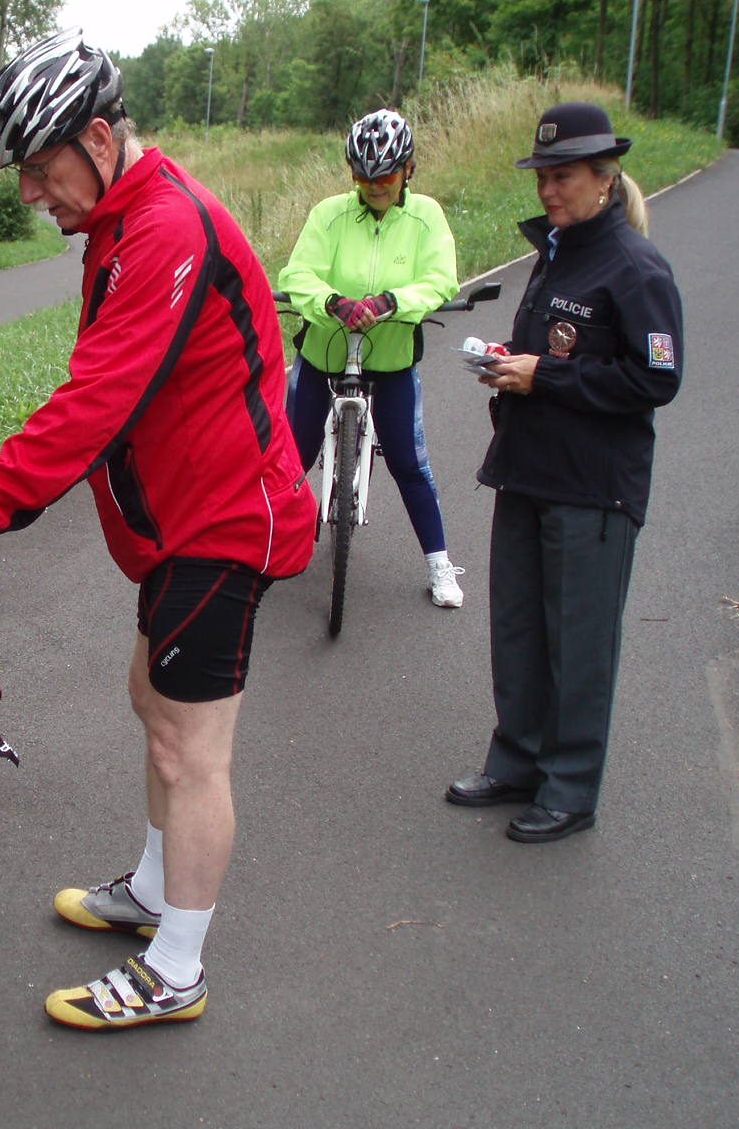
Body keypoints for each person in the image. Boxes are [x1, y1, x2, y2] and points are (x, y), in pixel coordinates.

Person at [0, 28, 315, 1029]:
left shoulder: (164, 227)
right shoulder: (119, 225)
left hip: (224, 522)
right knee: (149, 703)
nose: (32, 194)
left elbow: (92, 411)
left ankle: (178, 969)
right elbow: (104, 394)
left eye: (40, 167)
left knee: (188, 751)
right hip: (178, 523)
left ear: (101, 138)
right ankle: (155, 897)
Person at [445, 102, 683, 843]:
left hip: (595, 487)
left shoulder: (637, 268)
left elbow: (655, 380)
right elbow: (550, 350)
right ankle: (517, 761)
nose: (549, 189)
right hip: (527, 470)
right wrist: (507, 363)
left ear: (605, 179)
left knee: (578, 642)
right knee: (517, 630)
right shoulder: (556, 252)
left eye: (565, 176)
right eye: (543, 176)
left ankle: (571, 787)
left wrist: (541, 376)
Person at [278, 109, 465, 607]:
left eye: (384, 175)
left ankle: (440, 564)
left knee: (408, 462)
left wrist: (391, 303)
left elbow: (441, 277)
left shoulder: (427, 215)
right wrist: (333, 303)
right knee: (291, 457)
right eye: (362, 176)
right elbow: (298, 273)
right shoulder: (330, 214)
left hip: (392, 361)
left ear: (408, 170)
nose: (374, 185)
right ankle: (266, 548)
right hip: (323, 356)